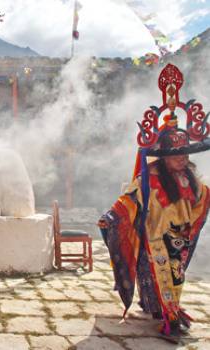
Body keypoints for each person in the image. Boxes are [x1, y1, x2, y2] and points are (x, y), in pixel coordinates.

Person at [98, 64, 210, 344]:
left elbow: (201, 200)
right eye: (176, 155)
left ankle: (165, 310)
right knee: (162, 279)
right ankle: (170, 320)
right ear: (163, 156)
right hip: (155, 239)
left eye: (184, 154)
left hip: (179, 239)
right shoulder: (152, 178)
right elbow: (130, 199)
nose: (182, 159)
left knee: (176, 279)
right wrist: (113, 216)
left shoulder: (190, 178)